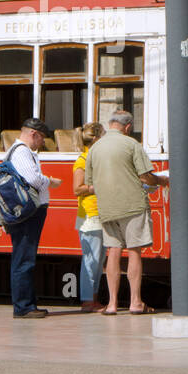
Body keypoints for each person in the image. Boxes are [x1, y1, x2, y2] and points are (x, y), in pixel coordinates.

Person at [84, 110, 167, 315]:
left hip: (106, 207)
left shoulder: (95, 148)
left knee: (113, 251)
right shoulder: (131, 145)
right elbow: (146, 177)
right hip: (132, 205)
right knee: (134, 252)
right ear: (128, 127)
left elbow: (89, 182)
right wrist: (162, 180)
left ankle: (112, 304)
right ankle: (135, 302)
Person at [6, 117, 62, 319]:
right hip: (28, 213)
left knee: (24, 257)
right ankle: (23, 307)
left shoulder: (20, 151)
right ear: (33, 134)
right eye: (42, 138)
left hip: (28, 212)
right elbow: (32, 179)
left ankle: (27, 304)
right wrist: (51, 181)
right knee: (24, 258)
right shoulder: (21, 151)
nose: (42, 143)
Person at [72, 122, 106, 312]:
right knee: (91, 259)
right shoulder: (83, 161)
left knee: (98, 259)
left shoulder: (93, 159)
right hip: (89, 215)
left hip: (97, 214)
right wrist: (99, 186)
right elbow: (77, 188)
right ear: (96, 139)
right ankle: (87, 300)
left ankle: (93, 298)